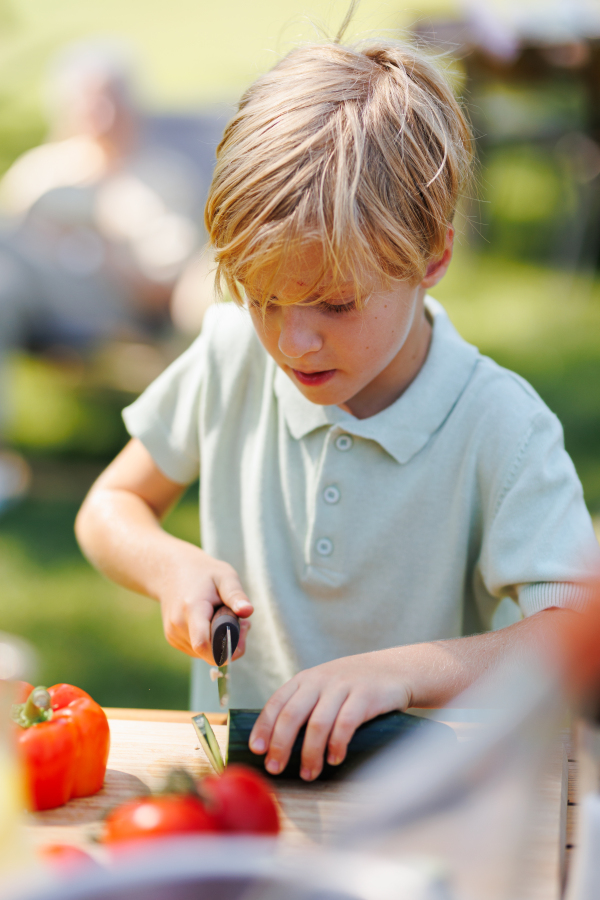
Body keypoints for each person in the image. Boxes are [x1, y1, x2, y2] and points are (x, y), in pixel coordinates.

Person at [75, 37, 600, 782]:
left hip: (427, 807)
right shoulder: (232, 355)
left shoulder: (502, 429)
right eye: (262, 298)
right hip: (249, 798)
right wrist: (168, 566)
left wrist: (403, 673)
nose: (293, 340)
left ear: (433, 260)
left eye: (335, 303)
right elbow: (110, 507)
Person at [0, 41, 208, 510]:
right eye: (86, 98)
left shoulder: (158, 177)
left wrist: (101, 246)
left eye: (109, 97)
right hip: (30, 299)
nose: (98, 111)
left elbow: (163, 289)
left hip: (112, 304)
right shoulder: (43, 170)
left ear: (130, 106)